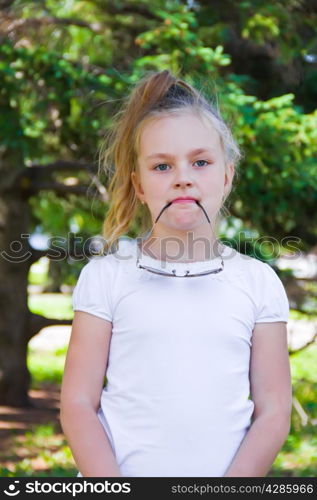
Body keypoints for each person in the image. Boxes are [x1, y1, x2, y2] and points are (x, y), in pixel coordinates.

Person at [60, 70, 292, 477]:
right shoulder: (107, 278)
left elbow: (274, 411)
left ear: (226, 175)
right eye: (162, 166)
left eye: (200, 162)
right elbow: (78, 403)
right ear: (139, 184)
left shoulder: (258, 283)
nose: (183, 176)